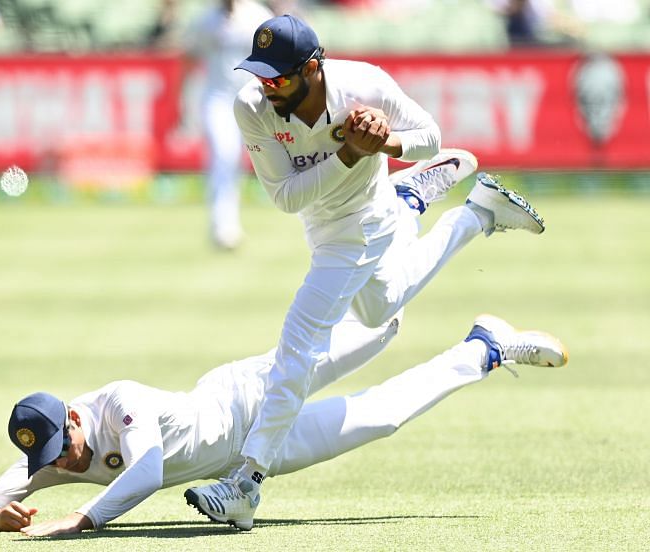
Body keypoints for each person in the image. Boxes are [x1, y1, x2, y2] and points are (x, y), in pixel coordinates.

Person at [184, 13, 548, 529]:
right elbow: (288, 197)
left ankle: (246, 481)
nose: (268, 88)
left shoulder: (364, 83)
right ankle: (471, 212)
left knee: (298, 346)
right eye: (261, 75)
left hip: (363, 223)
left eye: (280, 78)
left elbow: (430, 135)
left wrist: (389, 147)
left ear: (314, 68)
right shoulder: (252, 107)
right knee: (380, 307)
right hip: (321, 225)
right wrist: (351, 152)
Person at [0, 312, 568, 535]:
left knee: (379, 330)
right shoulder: (51, 456)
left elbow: (148, 470)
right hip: (251, 460)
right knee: (381, 419)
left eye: (64, 445)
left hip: (248, 396)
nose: (64, 462)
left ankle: (443, 212)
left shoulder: (118, 403)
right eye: (49, 458)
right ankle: (486, 348)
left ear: (74, 416)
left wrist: (82, 518)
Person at [182, 0, 275, 250]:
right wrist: (182, 99)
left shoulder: (257, 16)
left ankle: (229, 221)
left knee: (242, 160)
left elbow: (275, 58)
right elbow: (189, 57)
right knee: (223, 155)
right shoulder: (206, 19)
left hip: (251, 97)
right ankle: (223, 226)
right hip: (217, 97)